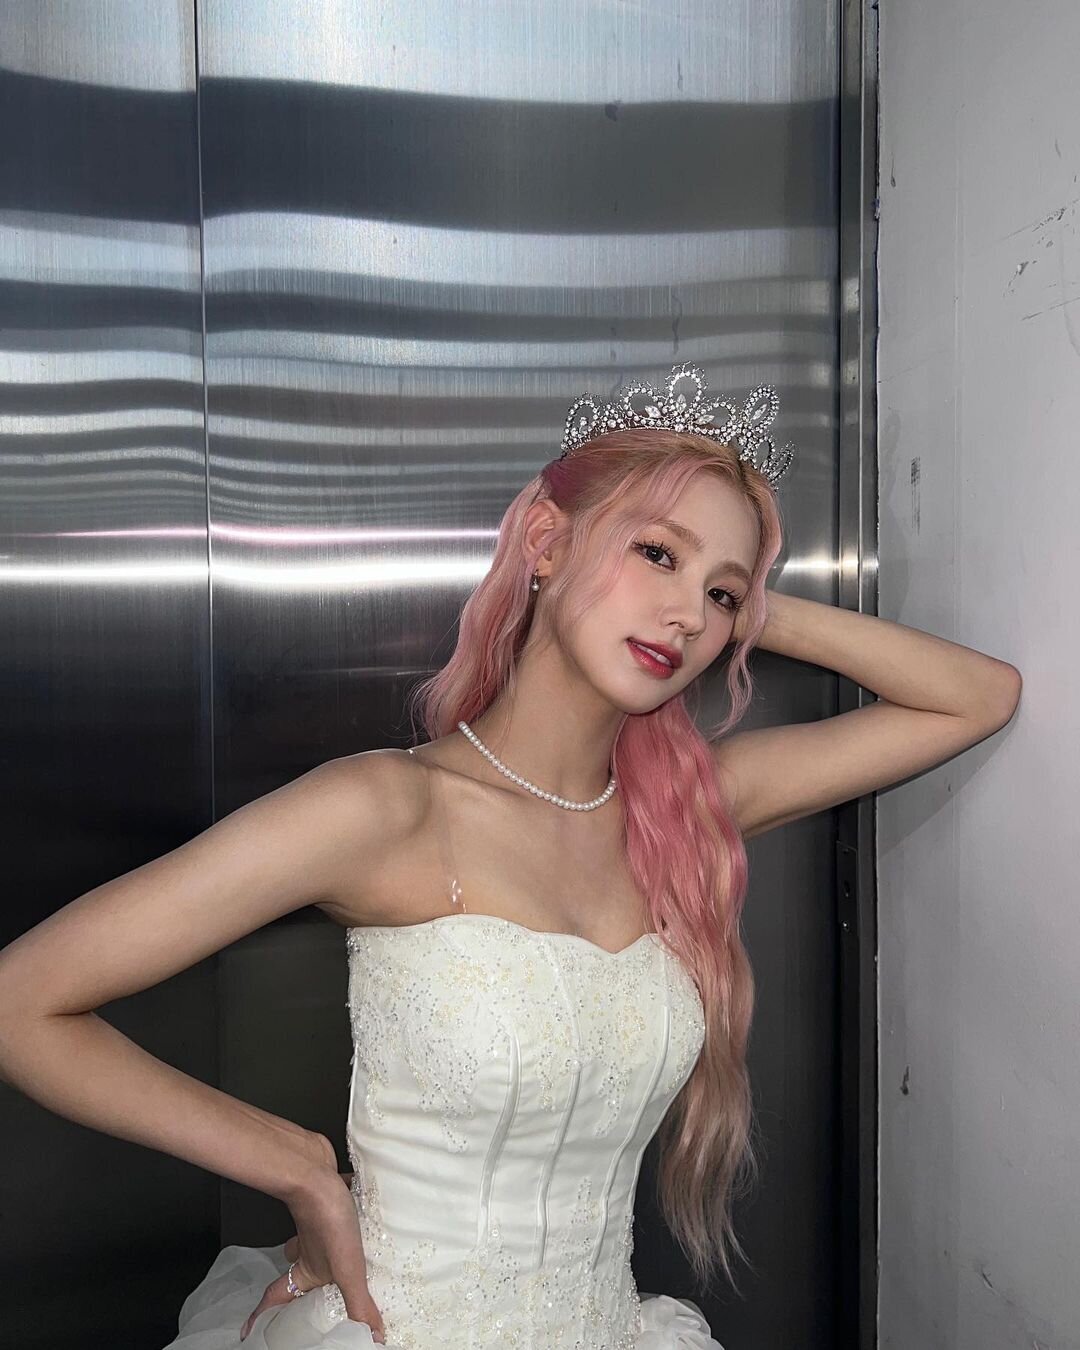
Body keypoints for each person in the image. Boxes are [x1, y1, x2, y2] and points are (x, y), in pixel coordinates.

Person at [0, 363, 1021, 1349]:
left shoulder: (685, 813)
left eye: (719, 595)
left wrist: (751, 603)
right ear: (544, 541)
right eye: (656, 554)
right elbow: (22, 1000)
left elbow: (977, 697)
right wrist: (294, 1164)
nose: (686, 615)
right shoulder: (386, 810)